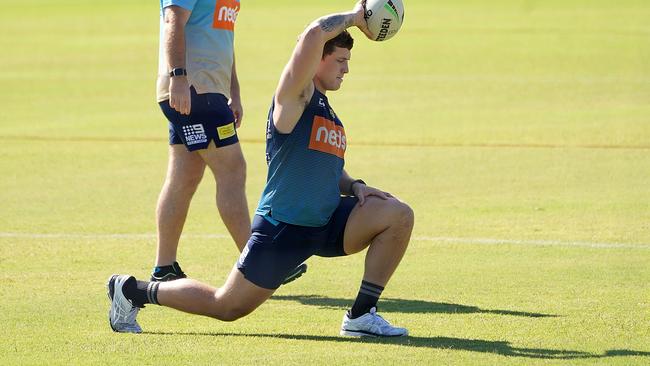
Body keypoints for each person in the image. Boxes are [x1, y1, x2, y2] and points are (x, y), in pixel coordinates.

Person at [108, 1, 414, 337]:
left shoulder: (328, 111)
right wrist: (355, 18)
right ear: (317, 61)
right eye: (340, 61)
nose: (345, 69)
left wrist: (355, 186)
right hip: (283, 231)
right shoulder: (294, 98)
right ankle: (132, 290)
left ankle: (361, 315)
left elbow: (325, 166)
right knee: (227, 306)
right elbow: (312, 35)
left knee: (398, 214)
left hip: (325, 224)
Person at [152, 0, 306, 283]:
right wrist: (178, 77)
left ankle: (164, 267)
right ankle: (259, 262)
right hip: (193, 90)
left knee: (184, 176)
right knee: (232, 170)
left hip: (208, 89)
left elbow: (224, 38)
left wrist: (233, 91)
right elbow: (174, 21)